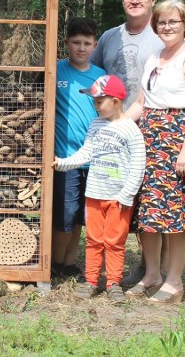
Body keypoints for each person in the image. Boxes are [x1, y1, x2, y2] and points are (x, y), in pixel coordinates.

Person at [124, 0, 185, 304]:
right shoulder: (153, 58)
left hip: (177, 143)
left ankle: (174, 282)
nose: (167, 27)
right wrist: (114, 126)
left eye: (174, 21)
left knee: (175, 216)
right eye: (162, 22)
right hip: (148, 143)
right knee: (147, 212)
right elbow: (140, 104)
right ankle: (151, 275)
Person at [90, 0, 165, 286]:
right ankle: (118, 267)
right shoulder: (109, 37)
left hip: (151, 128)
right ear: (122, 1)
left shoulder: (162, 38)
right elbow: (90, 75)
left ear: (152, 1)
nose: (134, 2)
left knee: (149, 200)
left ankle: (151, 270)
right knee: (117, 198)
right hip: (114, 133)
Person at [54, 75, 146, 302]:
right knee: (94, 239)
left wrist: (128, 193)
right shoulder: (95, 125)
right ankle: (91, 281)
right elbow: (87, 153)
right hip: (94, 194)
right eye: (94, 101)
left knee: (114, 241)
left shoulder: (130, 129)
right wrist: (63, 163)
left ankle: (114, 282)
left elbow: (139, 163)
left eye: (99, 102)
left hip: (119, 197)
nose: (95, 106)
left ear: (115, 101)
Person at [52, 18, 105, 279]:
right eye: (76, 43)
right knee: (64, 213)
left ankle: (70, 263)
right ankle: (53, 261)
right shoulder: (56, 71)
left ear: (94, 46)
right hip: (64, 157)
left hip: (92, 159)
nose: (81, 48)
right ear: (66, 44)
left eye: (87, 43)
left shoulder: (100, 77)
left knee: (79, 216)